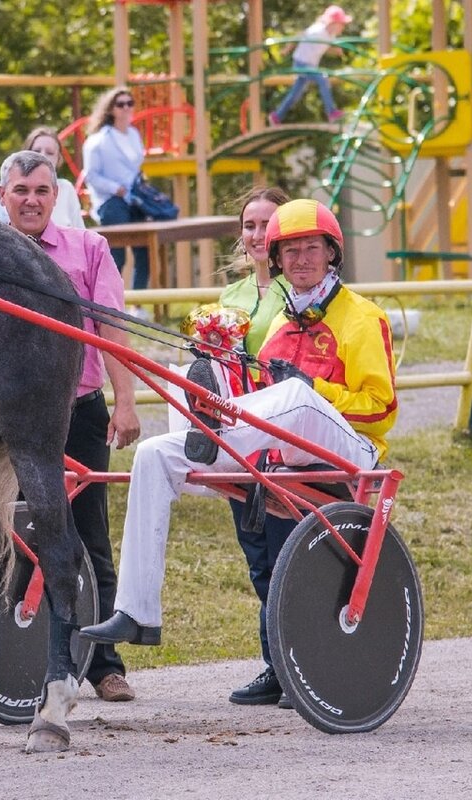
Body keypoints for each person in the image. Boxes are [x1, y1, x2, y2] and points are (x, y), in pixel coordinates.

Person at [81, 199, 397, 659]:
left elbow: (381, 408)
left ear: (332, 253)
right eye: (290, 252)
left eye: (312, 248)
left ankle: (213, 431)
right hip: (278, 449)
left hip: (350, 451)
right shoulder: (281, 327)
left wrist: (315, 389)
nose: (302, 260)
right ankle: (136, 611)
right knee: (154, 454)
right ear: (277, 261)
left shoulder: (363, 317)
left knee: (296, 398)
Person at [0, 150, 141, 702]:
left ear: (56, 198)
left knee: (88, 535)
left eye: (40, 191)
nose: (30, 200)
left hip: (77, 411)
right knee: (10, 535)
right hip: (2, 421)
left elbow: (110, 326)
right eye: (20, 191)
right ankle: (17, 661)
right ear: (1, 196)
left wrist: (125, 400)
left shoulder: (88, 249)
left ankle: (104, 662)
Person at [190, 187, 301, 707]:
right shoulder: (231, 299)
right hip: (238, 440)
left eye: (267, 225)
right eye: (250, 225)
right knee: (257, 555)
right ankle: (276, 663)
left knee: (285, 550)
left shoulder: (300, 290)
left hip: (282, 436)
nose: (258, 235)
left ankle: (296, 661)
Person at [82, 87, 151, 291]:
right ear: (111, 109)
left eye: (130, 103)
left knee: (144, 252)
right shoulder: (98, 140)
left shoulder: (133, 134)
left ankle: (138, 305)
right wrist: (115, 189)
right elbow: (91, 176)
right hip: (110, 202)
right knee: (116, 256)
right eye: (121, 104)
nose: (126, 108)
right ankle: (110, 301)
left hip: (135, 199)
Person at [268, 5, 352, 126]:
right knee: (323, 79)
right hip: (301, 63)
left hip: (309, 65)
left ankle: (277, 116)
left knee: (296, 93)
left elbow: (323, 48)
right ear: (332, 23)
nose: (343, 28)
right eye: (341, 24)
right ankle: (331, 112)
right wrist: (287, 49)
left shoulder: (330, 36)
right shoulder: (317, 31)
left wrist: (335, 51)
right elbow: (299, 35)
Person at [22, 126, 85, 230]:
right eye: (36, 151)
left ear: (58, 159)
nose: (42, 156)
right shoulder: (15, 190)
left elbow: (80, 232)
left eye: (50, 153)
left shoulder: (66, 189)